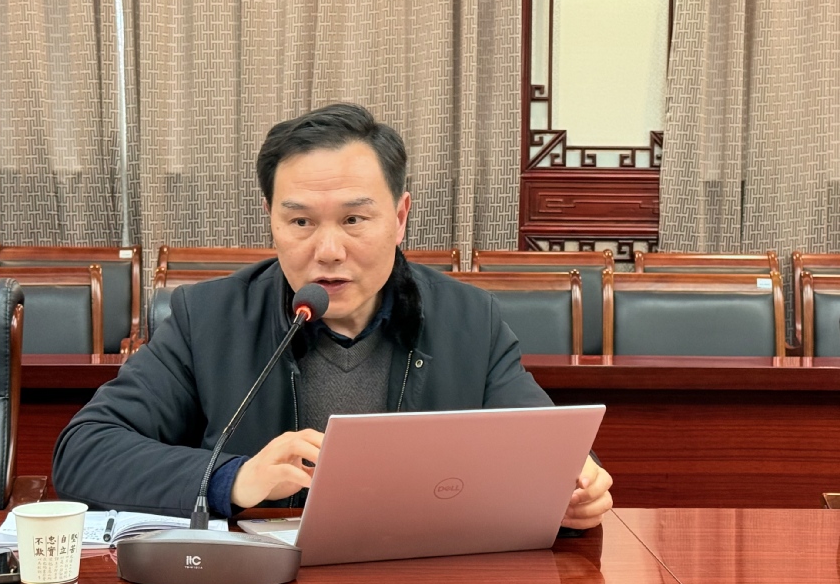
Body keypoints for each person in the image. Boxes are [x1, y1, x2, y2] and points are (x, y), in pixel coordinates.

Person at [52, 103, 613, 528]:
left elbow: (549, 452)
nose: (327, 251)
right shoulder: (210, 318)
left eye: (353, 220)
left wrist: (576, 489)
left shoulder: (469, 320)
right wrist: (234, 478)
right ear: (271, 219)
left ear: (400, 217)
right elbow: (84, 452)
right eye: (300, 222)